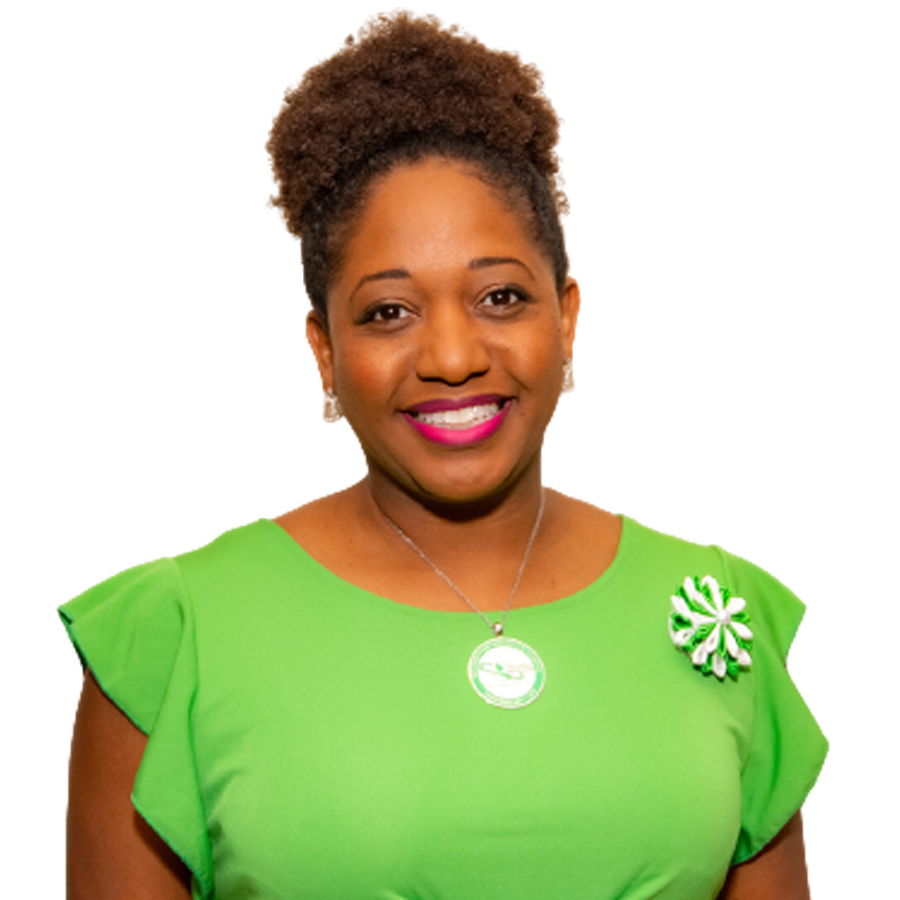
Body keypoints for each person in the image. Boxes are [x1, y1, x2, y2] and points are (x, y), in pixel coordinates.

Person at [64, 20, 826, 900]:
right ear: (324, 346)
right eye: (388, 312)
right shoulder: (173, 636)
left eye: (501, 296)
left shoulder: (717, 609)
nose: (454, 355)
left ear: (566, 316)